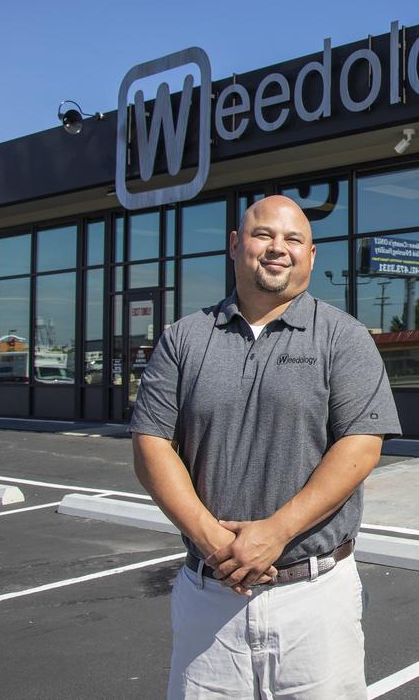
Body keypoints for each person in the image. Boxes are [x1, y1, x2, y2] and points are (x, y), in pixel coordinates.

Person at [129, 195, 401, 699]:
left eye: (293, 239)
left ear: (311, 256)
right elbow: (151, 443)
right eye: (263, 235)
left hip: (315, 599)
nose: (278, 248)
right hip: (210, 597)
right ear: (236, 245)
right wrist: (212, 540)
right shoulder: (184, 339)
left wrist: (274, 533)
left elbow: (361, 446)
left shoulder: (343, 337)